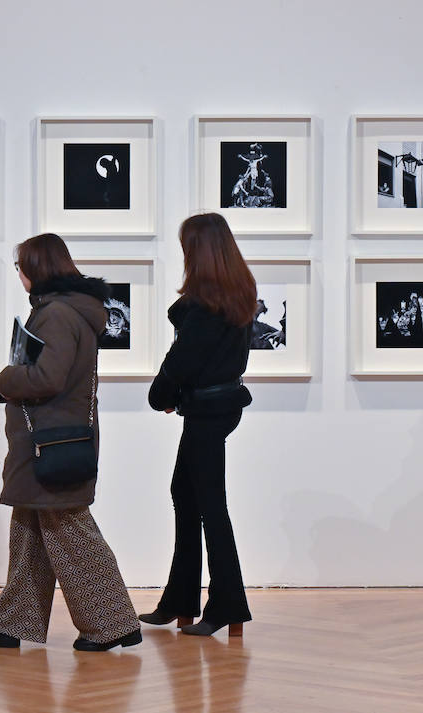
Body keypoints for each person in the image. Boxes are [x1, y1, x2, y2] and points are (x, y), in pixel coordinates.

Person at [0, 233, 142, 652]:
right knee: (29, 531)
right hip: (53, 438)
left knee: (69, 529)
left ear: (35, 269)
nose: (18, 274)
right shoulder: (70, 310)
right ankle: (10, 623)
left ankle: (113, 623)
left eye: (20, 267)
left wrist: (4, 380)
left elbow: (47, 377)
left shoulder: (56, 314)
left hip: (49, 441)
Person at [139, 212, 256, 638]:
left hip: (207, 412)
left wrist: (162, 396)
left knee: (209, 505)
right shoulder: (234, 293)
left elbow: (182, 362)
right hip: (216, 408)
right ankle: (181, 600)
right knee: (187, 496)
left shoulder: (208, 305)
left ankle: (228, 605)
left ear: (199, 252)